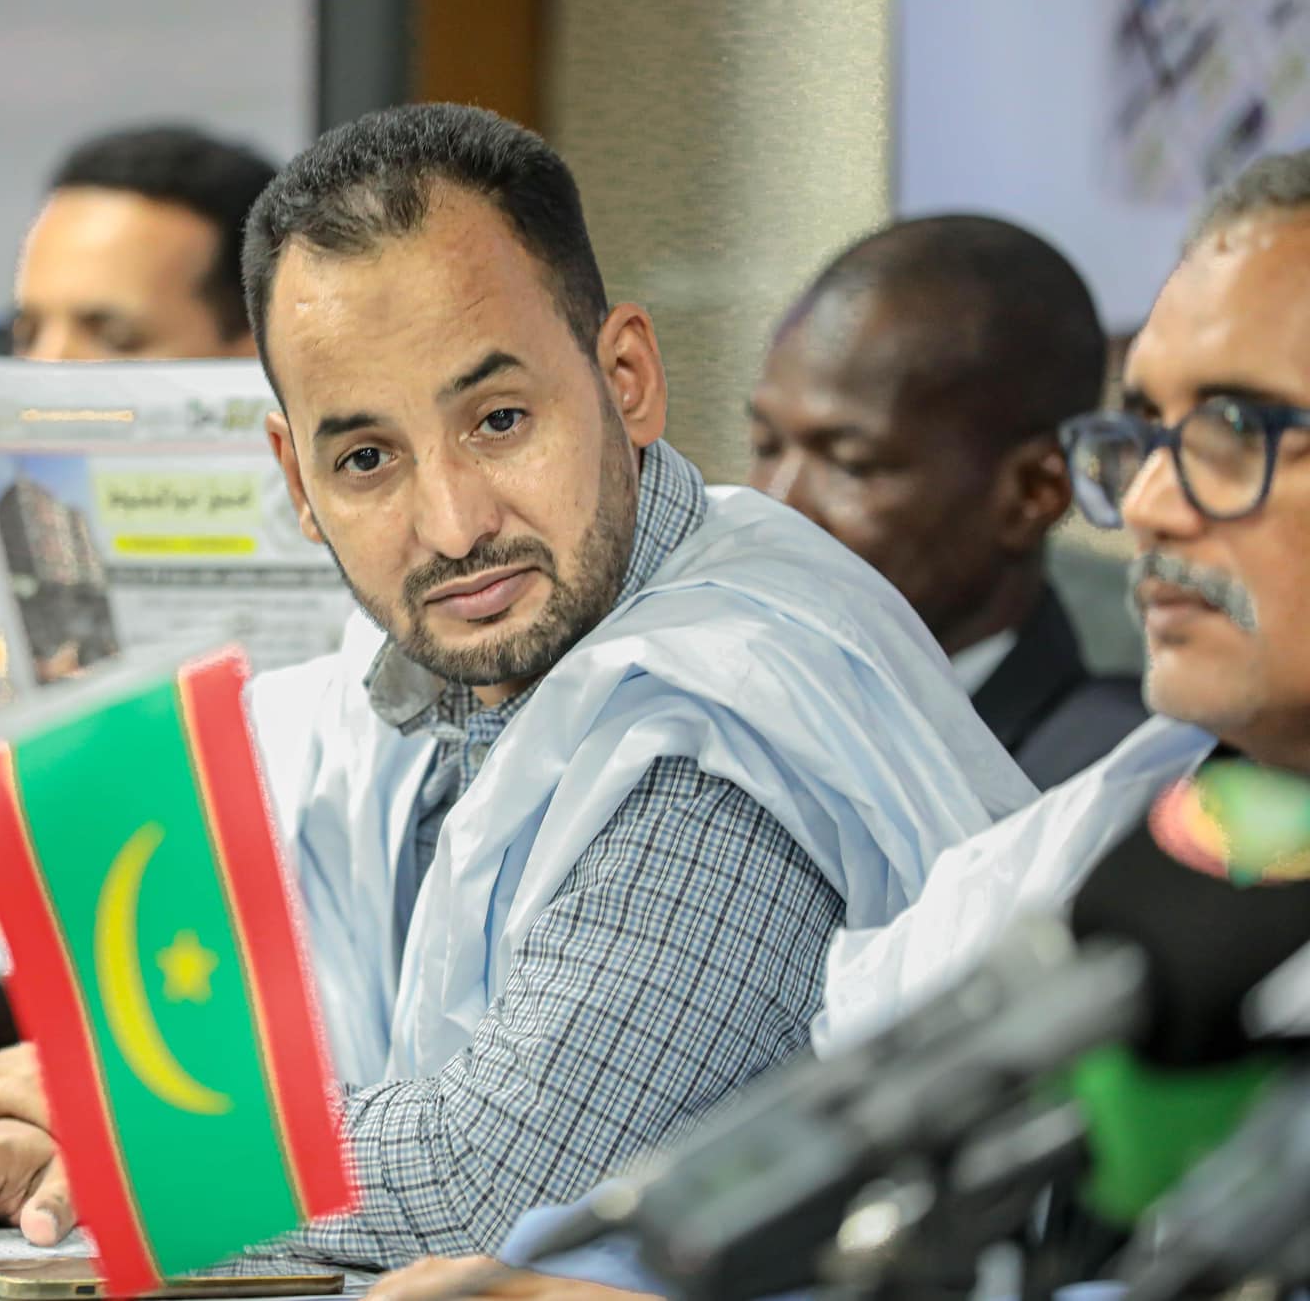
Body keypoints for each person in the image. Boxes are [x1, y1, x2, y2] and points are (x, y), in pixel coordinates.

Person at [0, 103, 1032, 1266]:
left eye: (498, 420)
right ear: (294, 482)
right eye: (367, 457)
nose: (452, 524)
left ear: (626, 379)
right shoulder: (390, 695)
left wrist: (142, 1138)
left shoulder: (723, 704)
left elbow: (494, 1181)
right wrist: (69, 1156)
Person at [371, 146, 1310, 1301]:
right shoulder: (1111, 840)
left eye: (1234, 430)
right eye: (1147, 433)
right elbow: (821, 1167)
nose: (1151, 505)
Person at [0, 123, 279, 882]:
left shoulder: (363, 622)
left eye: (112, 336)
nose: (44, 373)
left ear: (257, 356)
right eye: (29, 332)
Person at [747, 216, 1148, 788]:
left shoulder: (1105, 786)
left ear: (1033, 492)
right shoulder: (717, 717)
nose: (775, 506)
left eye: (852, 463)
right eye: (766, 446)